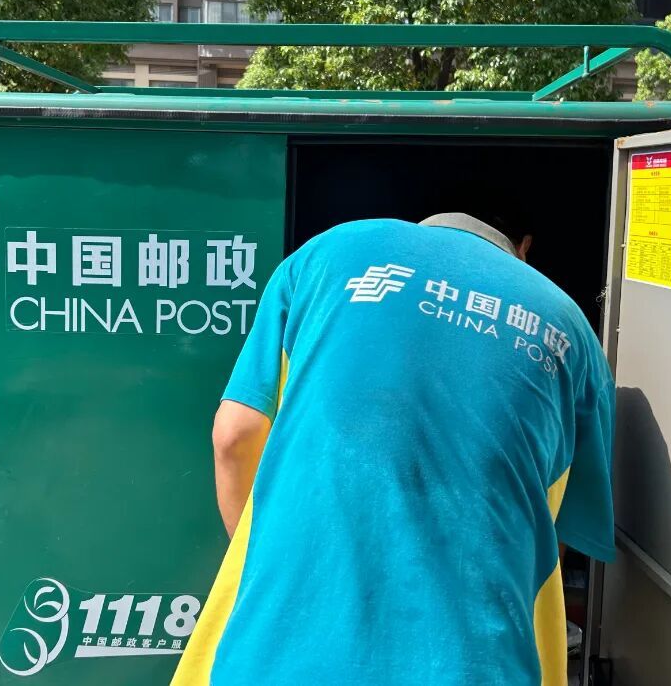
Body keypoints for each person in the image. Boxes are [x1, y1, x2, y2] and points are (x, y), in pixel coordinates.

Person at [171, 213, 616, 686]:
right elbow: (554, 538)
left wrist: (277, 560)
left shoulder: (329, 254)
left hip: (270, 650)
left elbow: (235, 435)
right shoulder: (571, 329)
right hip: (476, 664)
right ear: (523, 247)